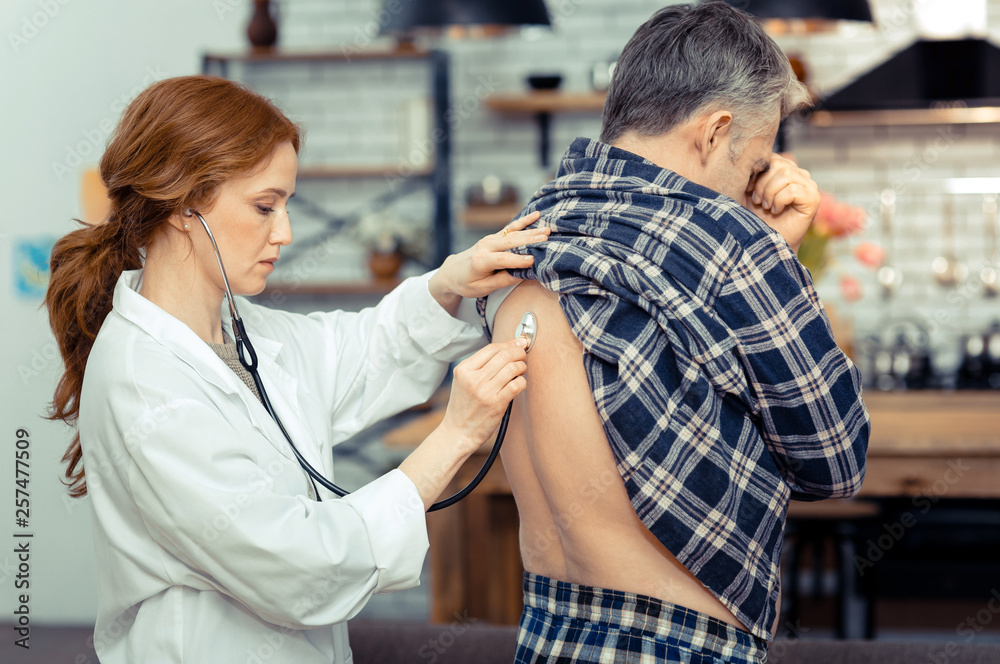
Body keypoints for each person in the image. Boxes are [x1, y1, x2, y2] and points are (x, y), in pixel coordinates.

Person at [44, 74, 549, 664]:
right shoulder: (142, 380)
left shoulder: (240, 329)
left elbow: (357, 352)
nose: (284, 233)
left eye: (284, 205)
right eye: (264, 207)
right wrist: (456, 436)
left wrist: (447, 283)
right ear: (183, 206)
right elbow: (299, 565)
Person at [479, 2, 870, 663]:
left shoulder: (525, 238)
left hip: (547, 634)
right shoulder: (728, 243)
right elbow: (836, 461)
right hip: (674, 645)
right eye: (755, 161)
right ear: (716, 131)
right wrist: (772, 254)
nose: (755, 184)